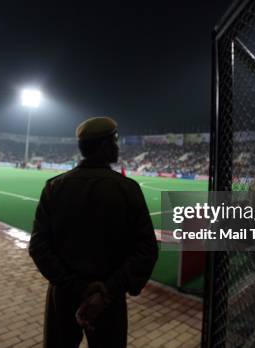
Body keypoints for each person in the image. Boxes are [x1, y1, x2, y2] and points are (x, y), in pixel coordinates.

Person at [29, 116, 158, 348]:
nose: (117, 147)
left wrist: (77, 286)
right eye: (114, 141)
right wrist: (105, 291)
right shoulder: (127, 189)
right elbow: (146, 249)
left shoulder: (55, 187)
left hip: (63, 297)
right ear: (105, 146)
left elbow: (39, 247)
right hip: (109, 301)